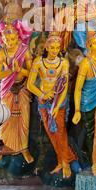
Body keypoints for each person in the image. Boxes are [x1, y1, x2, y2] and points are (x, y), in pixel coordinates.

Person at [27, 32, 76, 179]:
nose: (55, 51)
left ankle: (66, 163)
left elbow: (65, 86)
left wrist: (56, 106)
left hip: (59, 101)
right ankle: (61, 160)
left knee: (60, 132)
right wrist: (42, 94)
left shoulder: (64, 63)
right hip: (44, 102)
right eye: (52, 47)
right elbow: (30, 85)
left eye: (57, 48)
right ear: (47, 48)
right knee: (51, 132)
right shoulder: (38, 62)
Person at [0, 21, 33, 164]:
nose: (10, 42)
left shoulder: (24, 50)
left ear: (18, 37)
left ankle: (24, 148)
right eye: (7, 39)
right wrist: (11, 70)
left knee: (24, 120)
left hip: (22, 88)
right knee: (5, 119)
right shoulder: (1, 54)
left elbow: (31, 72)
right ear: (2, 39)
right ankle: (3, 147)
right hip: (7, 89)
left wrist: (20, 70)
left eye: (12, 39)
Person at [73, 31, 96, 162]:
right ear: (89, 46)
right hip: (88, 101)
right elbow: (78, 89)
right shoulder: (86, 64)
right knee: (90, 133)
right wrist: (77, 110)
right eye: (95, 43)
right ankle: (92, 160)